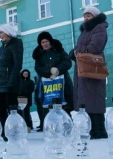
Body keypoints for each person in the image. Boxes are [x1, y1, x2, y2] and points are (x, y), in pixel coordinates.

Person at [71, 7, 108, 139]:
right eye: (85, 15)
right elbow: (80, 47)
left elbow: (95, 46)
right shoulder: (85, 30)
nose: (86, 17)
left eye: (89, 15)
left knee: (95, 97)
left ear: (95, 16)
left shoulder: (99, 28)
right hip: (83, 67)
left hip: (93, 67)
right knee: (86, 99)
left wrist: (78, 51)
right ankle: (92, 129)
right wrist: (74, 52)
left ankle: (99, 130)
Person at [32, 31, 74, 132]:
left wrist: (58, 69)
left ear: (50, 42)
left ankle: (68, 129)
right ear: (40, 44)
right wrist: (48, 72)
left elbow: (67, 62)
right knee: (49, 107)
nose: (45, 44)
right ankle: (53, 131)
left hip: (63, 84)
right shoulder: (39, 55)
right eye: (42, 42)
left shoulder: (59, 51)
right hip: (48, 86)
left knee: (65, 107)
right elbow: (38, 68)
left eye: (46, 41)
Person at [0, 24, 23, 140]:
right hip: (1, 83)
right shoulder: (2, 48)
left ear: (7, 33)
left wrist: (12, 81)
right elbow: (0, 65)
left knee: (12, 108)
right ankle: (5, 131)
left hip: (10, 83)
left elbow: (17, 64)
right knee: (0, 107)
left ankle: (15, 131)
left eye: (1, 33)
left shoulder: (16, 45)